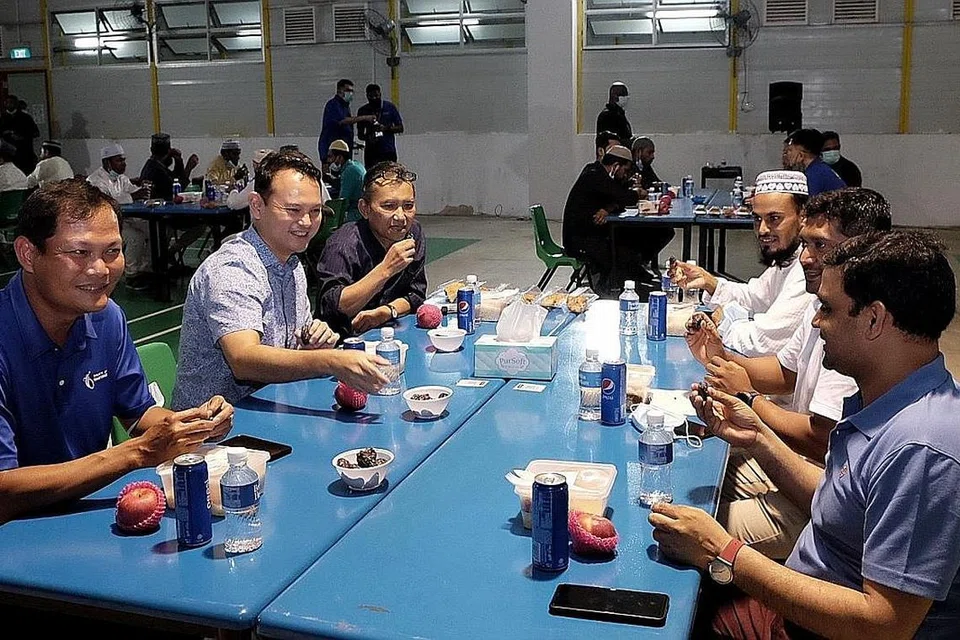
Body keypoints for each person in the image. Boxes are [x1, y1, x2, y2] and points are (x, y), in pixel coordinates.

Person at [650, 229, 960, 640]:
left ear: (874, 319)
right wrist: (758, 438)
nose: (816, 321)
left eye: (827, 309)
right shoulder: (886, 398)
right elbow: (844, 505)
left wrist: (722, 552)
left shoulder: (922, 449)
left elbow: (883, 624)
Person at [0, 179, 234, 525]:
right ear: (28, 254)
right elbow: (4, 491)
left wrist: (191, 426)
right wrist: (135, 453)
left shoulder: (107, 318)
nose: (100, 270)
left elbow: (137, 414)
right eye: (79, 253)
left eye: (112, 251)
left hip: (84, 512)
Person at [685, 188, 891, 560]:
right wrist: (720, 356)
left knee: (686, 529)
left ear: (862, 249)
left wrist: (750, 400)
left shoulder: (856, 327)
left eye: (820, 246)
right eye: (806, 244)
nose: (806, 258)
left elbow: (821, 438)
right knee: (693, 471)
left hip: (819, 492)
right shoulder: (822, 301)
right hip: (798, 464)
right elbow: (786, 372)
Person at [173, 151, 388, 409]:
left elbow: (292, 349)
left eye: (315, 211)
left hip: (270, 407)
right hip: (211, 426)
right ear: (257, 206)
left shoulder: (292, 265)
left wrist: (313, 342)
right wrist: (331, 360)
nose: (306, 222)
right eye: (293, 210)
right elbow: (244, 359)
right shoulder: (232, 268)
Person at [674, 170, 813, 357]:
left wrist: (723, 322)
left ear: (803, 217)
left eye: (774, 219)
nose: (762, 230)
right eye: (757, 219)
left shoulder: (809, 269)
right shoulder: (789, 256)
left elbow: (762, 342)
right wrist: (710, 283)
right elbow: (757, 298)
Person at [315, 161, 426, 337]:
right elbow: (333, 307)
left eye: (408, 206)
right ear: (364, 209)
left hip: (391, 334)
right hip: (343, 342)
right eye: (388, 206)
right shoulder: (343, 245)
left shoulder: (413, 232)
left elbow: (416, 294)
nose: (401, 217)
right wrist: (386, 269)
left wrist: (386, 311)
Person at [561, 145, 645, 295]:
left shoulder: (597, 172)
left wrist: (608, 208)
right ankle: (607, 289)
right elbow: (624, 197)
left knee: (628, 243)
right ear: (616, 166)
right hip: (579, 240)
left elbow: (617, 201)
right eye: (625, 170)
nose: (625, 175)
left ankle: (627, 284)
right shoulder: (595, 175)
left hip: (589, 233)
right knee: (621, 251)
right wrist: (638, 193)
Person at [87, 143, 152, 290]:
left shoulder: (122, 179)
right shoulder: (95, 181)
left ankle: (147, 269)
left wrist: (142, 191)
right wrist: (133, 196)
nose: (124, 164)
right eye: (119, 160)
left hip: (125, 220)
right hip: (104, 226)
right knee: (136, 236)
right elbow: (106, 202)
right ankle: (131, 275)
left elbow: (132, 190)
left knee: (152, 230)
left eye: (124, 160)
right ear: (107, 162)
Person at [317, 79, 375, 163]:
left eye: (352, 91)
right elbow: (343, 120)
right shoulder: (333, 105)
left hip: (343, 151)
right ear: (339, 90)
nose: (350, 93)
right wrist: (365, 118)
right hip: (333, 152)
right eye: (348, 90)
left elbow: (344, 130)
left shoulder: (345, 107)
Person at [781, 128, 845, 197]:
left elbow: (808, 202)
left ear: (801, 155)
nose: (786, 155)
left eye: (789, 150)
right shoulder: (819, 168)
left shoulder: (815, 174)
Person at [139, 132, 199, 201]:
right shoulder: (156, 171)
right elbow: (177, 191)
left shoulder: (152, 165)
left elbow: (174, 178)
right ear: (169, 151)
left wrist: (178, 162)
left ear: (151, 150)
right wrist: (189, 168)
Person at [356, 84, 404, 169]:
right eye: (371, 96)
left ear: (380, 94)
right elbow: (360, 135)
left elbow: (400, 128)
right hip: (371, 152)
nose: (374, 98)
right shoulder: (363, 111)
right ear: (367, 96)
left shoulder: (389, 107)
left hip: (388, 150)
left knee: (390, 175)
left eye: (376, 95)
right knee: (372, 175)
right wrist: (369, 137)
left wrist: (386, 128)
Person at [325, 139, 365, 222]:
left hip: (357, 213)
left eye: (330, 157)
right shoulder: (355, 165)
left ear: (339, 157)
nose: (329, 161)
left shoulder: (349, 171)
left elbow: (343, 202)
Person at [0, 94, 39, 174]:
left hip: (25, 153)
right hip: (8, 154)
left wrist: (22, 136)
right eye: (7, 102)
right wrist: (6, 134)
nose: (9, 104)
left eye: (11, 102)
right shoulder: (2, 118)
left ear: (16, 103)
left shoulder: (26, 118)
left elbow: (36, 132)